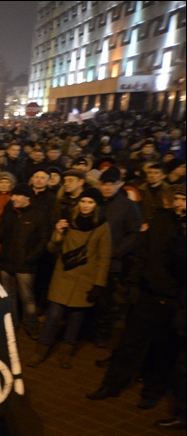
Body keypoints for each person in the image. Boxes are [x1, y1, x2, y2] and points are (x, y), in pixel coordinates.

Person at [87, 186, 185, 406]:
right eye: (177, 198)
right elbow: (143, 254)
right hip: (148, 295)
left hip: (173, 301)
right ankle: (111, 385)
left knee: (163, 351)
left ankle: (152, 393)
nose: (179, 203)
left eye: (184, 199)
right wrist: (135, 284)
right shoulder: (160, 223)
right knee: (129, 345)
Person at [29, 188, 111, 369]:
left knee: (75, 319)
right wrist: (58, 233)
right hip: (63, 275)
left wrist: (98, 284)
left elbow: (104, 258)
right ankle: (40, 351)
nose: (85, 206)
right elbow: (52, 249)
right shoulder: (68, 221)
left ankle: (66, 353)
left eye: (90, 202)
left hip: (85, 279)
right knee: (53, 316)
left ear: (96, 205)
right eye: (83, 201)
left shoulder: (102, 226)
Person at [0, 183, 49, 339]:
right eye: (13, 195)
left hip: (25, 265)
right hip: (6, 262)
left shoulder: (38, 215)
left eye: (17, 195)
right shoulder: (9, 214)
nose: (13, 198)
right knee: (9, 297)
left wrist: (30, 258)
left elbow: (43, 240)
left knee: (27, 297)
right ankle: (12, 325)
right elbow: (0, 237)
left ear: (27, 197)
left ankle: (31, 325)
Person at [94, 167, 143, 347]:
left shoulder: (127, 206)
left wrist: (115, 252)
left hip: (113, 262)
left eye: (111, 184)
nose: (107, 187)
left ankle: (102, 334)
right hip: (92, 259)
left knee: (107, 301)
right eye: (104, 184)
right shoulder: (95, 201)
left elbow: (134, 234)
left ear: (119, 184)